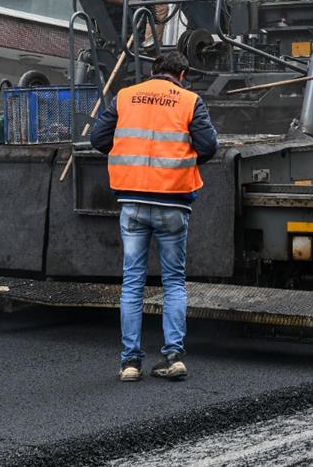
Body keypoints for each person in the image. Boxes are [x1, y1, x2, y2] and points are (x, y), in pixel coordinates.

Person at [89, 51, 219, 383]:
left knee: (132, 283)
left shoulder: (125, 96)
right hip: (173, 203)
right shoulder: (190, 101)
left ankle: (130, 364)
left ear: (152, 71)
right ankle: (173, 357)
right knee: (173, 282)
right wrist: (180, 159)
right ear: (183, 73)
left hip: (131, 201)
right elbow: (209, 146)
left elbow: (98, 139)